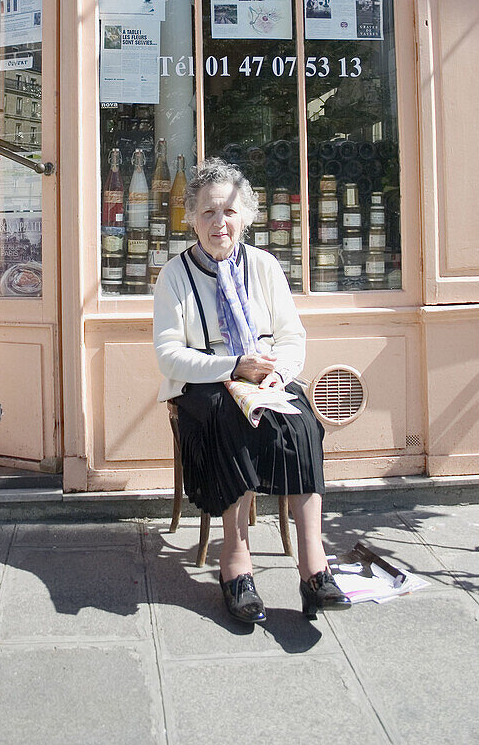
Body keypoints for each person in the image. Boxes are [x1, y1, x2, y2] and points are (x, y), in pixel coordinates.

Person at [153, 158, 350, 624]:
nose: (219, 222)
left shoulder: (264, 266)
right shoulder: (174, 276)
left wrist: (278, 373)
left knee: (303, 421)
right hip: (205, 383)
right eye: (207, 212)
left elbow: (292, 335)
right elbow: (168, 356)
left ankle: (313, 566)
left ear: (246, 216)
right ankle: (236, 563)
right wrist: (233, 365)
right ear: (191, 219)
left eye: (228, 211)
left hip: (265, 377)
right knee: (229, 416)